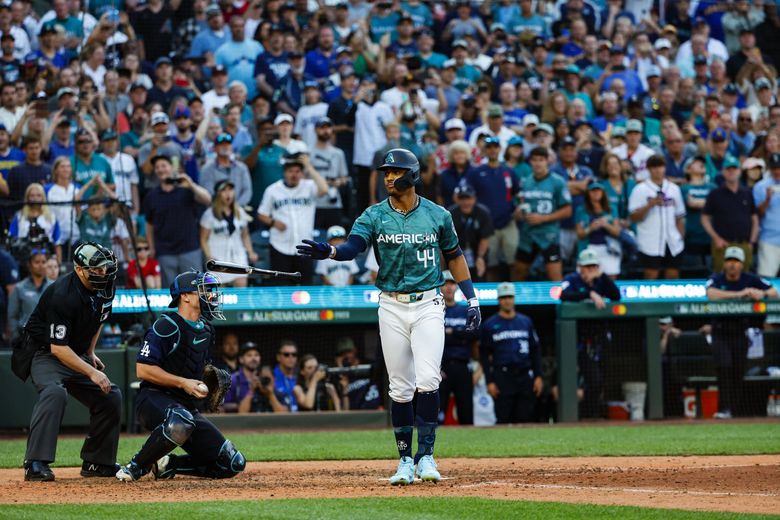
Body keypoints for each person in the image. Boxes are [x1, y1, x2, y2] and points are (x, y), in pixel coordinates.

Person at [297, 147, 481, 485]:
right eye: (385, 173)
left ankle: (426, 456)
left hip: (428, 302)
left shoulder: (438, 215)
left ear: (412, 174)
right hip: (391, 304)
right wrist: (333, 251)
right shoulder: (373, 215)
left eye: (395, 172)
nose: (389, 178)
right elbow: (354, 246)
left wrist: (472, 300)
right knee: (399, 387)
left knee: (427, 380)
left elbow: (454, 257)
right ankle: (404, 461)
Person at [116, 270, 246, 481]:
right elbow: (143, 369)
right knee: (180, 420)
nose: (211, 295)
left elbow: (191, 366)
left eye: (211, 290)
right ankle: (136, 466)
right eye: (204, 290)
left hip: (185, 408)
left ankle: (169, 464)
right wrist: (183, 382)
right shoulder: (167, 325)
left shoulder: (207, 329)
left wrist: (207, 381)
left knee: (231, 463)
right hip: (153, 399)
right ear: (185, 296)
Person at [19, 242, 120, 481]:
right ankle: (34, 463)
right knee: (55, 393)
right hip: (45, 353)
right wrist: (91, 372)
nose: (102, 273)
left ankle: (97, 462)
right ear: (79, 269)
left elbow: (100, 317)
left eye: (105, 267)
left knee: (111, 395)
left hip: (74, 351)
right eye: (96, 269)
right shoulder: (62, 294)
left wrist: (90, 351)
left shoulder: (106, 285)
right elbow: (58, 349)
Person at [706, 247, 778, 419]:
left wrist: (761, 293)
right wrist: (741, 293)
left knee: (738, 371)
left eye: (736, 261)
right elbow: (711, 294)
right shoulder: (717, 278)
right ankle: (724, 409)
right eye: (729, 261)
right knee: (724, 368)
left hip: (740, 331)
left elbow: (774, 292)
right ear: (724, 263)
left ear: (742, 264)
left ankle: (735, 410)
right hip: (721, 331)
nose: (732, 265)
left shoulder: (750, 278)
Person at [559, 248, 621, 418]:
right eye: (587, 266)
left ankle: (593, 415)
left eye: (593, 266)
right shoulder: (572, 279)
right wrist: (589, 293)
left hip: (601, 339)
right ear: (579, 266)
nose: (590, 269)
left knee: (601, 380)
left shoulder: (601, 280)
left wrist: (601, 277)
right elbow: (563, 295)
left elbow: (616, 296)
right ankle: (587, 415)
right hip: (580, 340)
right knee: (592, 380)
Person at [257, 153, 328, 286]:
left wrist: (308, 166)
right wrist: (273, 222)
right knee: (281, 287)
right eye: (290, 171)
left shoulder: (309, 186)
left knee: (307, 288)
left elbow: (324, 189)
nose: (294, 174)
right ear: (284, 172)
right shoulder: (273, 190)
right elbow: (261, 214)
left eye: (297, 171)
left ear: (302, 173)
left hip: (305, 247)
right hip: (280, 246)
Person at [142, 155, 212, 287]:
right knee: (171, 291)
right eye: (157, 167)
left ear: (171, 168)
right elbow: (149, 223)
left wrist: (190, 183)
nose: (160, 169)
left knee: (195, 289)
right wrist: (151, 247)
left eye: (163, 166)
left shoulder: (186, 190)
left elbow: (207, 200)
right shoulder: (151, 196)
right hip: (165, 251)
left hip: (189, 249)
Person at [479, 282, 542, 424]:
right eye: (504, 297)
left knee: (525, 417)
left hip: (524, 374)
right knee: (503, 417)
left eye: (510, 297)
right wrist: (489, 382)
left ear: (514, 298)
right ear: (499, 300)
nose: (507, 300)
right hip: (502, 375)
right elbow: (484, 355)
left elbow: (535, 350)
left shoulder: (526, 321)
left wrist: (538, 376)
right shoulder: (490, 324)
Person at [513, 146, 572, 282]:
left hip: (549, 235)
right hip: (528, 235)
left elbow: (568, 210)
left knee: (555, 276)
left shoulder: (558, 182)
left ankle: (558, 303)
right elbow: (518, 205)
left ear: (547, 161)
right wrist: (518, 213)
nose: (538, 163)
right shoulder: (525, 182)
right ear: (530, 162)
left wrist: (543, 218)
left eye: (541, 160)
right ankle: (518, 303)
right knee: (519, 272)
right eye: (534, 160)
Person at [628, 154, 686, 280]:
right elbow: (633, 217)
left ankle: (673, 301)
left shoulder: (674, 189)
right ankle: (649, 301)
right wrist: (649, 205)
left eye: (660, 166)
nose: (657, 170)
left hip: (672, 240)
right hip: (649, 240)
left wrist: (680, 237)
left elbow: (679, 216)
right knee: (651, 275)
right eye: (654, 167)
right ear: (648, 169)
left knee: (673, 275)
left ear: (664, 168)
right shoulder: (640, 189)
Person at [701, 155, 758, 273]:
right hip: (723, 244)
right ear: (723, 172)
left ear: (740, 171)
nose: (731, 172)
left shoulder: (747, 193)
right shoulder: (715, 194)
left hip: (744, 243)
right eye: (728, 169)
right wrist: (716, 238)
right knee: (721, 278)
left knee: (744, 278)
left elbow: (754, 218)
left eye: (734, 169)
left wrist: (752, 242)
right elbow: (705, 218)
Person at [199, 179, 257, 288]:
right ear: (217, 194)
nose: (228, 193)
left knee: (241, 287)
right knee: (220, 294)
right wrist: (209, 256)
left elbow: (245, 235)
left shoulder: (240, 211)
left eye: (230, 190)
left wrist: (250, 252)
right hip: (218, 258)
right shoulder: (209, 214)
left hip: (237, 256)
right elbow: (203, 238)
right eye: (224, 190)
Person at [439, 271, 477, 425]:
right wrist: (460, 336)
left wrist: (451, 332)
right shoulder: (435, 310)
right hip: (441, 367)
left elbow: (473, 334)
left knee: (466, 412)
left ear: (456, 286)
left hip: (462, 365)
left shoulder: (464, 310)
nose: (448, 287)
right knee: (437, 413)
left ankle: (468, 447)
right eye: (445, 283)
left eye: (452, 283)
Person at [447, 184, 493, 283]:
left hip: (477, 251)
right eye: (462, 199)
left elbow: (485, 238)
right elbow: (446, 240)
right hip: (456, 252)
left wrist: (480, 257)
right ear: (457, 200)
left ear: (474, 199)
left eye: (468, 198)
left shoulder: (483, 213)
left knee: (480, 275)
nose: (465, 202)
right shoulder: (450, 214)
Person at [223, 342, 285, 413]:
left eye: (256, 355)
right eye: (249, 355)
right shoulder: (232, 380)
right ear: (241, 359)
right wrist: (239, 404)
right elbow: (224, 406)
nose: (254, 358)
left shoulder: (266, 378)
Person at [7, 248, 52, 342]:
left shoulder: (53, 286)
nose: (41, 265)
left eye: (43, 262)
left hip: (48, 338)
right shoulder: (19, 288)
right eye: (37, 262)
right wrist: (16, 337)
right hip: (25, 337)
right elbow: (12, 315)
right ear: (29, 265)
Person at [333, 337, 381, 410]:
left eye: (348, 351)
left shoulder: (367, 364)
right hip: (357, 415)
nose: (346, 355)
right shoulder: (342, 375)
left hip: (377, 412)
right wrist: (340, 367)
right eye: (342, 353)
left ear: (355, 350)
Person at [754, 153, 780, 278]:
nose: (777, 171)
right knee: (766, 280)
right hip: (769, 239)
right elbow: (757, 213)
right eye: (774, 168)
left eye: (779, 167)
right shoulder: (761, 186)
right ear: (769, 168)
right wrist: (767, 199)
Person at [273, 339, 299, 412]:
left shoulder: (300, 376)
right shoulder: (272, 376)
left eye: (294, 355)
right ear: (278, 357)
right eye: (286, 355)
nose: (291, 357)